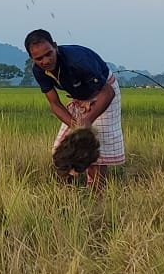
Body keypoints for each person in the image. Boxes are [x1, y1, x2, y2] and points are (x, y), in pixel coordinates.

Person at [25, 29, 125, 189]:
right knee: (61, 150)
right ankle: (65, 194)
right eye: (39, 58)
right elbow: (55, 104)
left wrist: (87, 120)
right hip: (79, 96)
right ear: (32, 59)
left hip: (103, 92)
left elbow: (108, 92)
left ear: (55, 47)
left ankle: (98, 195)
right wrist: (74, 125)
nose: (46, 60)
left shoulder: (78, 60)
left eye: (49, 54)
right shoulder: (39, 71)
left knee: (98, 151)